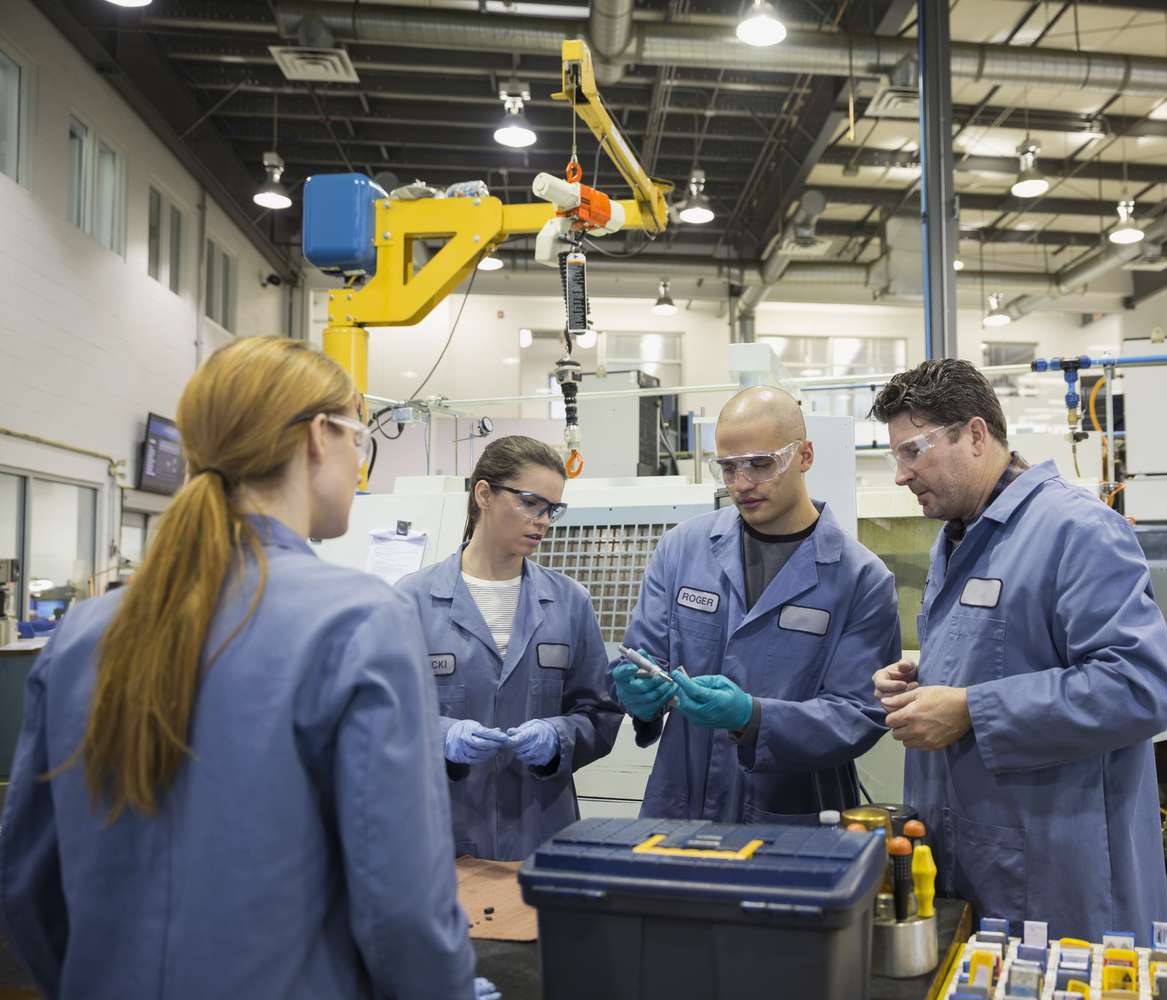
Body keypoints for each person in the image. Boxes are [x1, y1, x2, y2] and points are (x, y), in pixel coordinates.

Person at [0, 337, 495, 1000]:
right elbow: (404, 909)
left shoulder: (83, 634)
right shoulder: (359, 622)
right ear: (320, 435)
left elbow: (27, 883)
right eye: (359, 441)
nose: (359, 466)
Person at [868, 359, 1167, 942]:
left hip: (1057, 876)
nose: (903, 475)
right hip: (970, 858)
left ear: (976, 435)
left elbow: (1139, 686)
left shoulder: (1077, 530)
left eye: (914, 451)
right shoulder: (957, 537)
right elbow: (999, 658)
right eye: (897, 457)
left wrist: (969, 709)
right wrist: (920, 680)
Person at [612, 386, 900, 823]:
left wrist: (754, 717)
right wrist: (636, 691)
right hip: (681, 808)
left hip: (794, 813)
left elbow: (856, 714)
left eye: (761, 465)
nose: (741, 484)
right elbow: (645, 657)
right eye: (728, 469)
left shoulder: (860, 578)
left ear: (804, 456)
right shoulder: (682, 549)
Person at [396, 436, 622, 861]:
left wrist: (558, 737)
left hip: (542, 835)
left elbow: (601, 715)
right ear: (484, 493)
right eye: (530, 502)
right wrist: (441, 736)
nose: (542, 521)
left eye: (552, 509)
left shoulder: (570, 602)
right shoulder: (411, 601)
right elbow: (383, 719)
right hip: (442, 839)